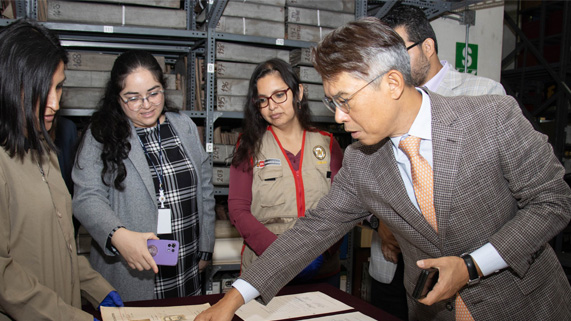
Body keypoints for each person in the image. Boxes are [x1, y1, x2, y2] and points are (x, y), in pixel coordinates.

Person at [195, 17, 571, 321]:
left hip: (526, 305)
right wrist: (234, 299)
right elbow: (310, 231)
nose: (339, 117)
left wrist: (471, 266)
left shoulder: (491, 117)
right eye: (332, 102)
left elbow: (552, 201)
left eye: (344, 100)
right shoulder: (363, 161)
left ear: (392, 83)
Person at [364, 5, 509, 319]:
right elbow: (364, 183)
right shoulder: (378, 103)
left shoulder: (484, 95)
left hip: (464, 272)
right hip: (392, 263)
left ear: (427, 47)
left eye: (398, 53)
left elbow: (504, 191)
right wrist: (382, 222)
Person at [0, 19, 123, 321]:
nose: (54, 103)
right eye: (44, 89)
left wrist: (96, 287)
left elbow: (61, 242)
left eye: (59, 87)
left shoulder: (43, 149)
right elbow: (4, 276)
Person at [73, 50, 216, 301]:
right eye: (133, 98)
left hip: (185, 262)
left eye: (154, 92)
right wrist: (117, 235)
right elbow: (87, 197)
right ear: (117, 98)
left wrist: (205, 246)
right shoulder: (100, 135)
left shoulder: (184, 125)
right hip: (132, 267)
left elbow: (204, 188)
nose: (146, 104)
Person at [228, 58, 344, 286]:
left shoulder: (328, 144)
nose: (272, 106)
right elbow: (238, 211)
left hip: (321, 271)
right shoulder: (249, 146)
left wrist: (323, 251)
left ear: (298, 92)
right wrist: (281, 255)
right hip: (266, 271)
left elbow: (343, 207)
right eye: (263, 100)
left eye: (279, 95)